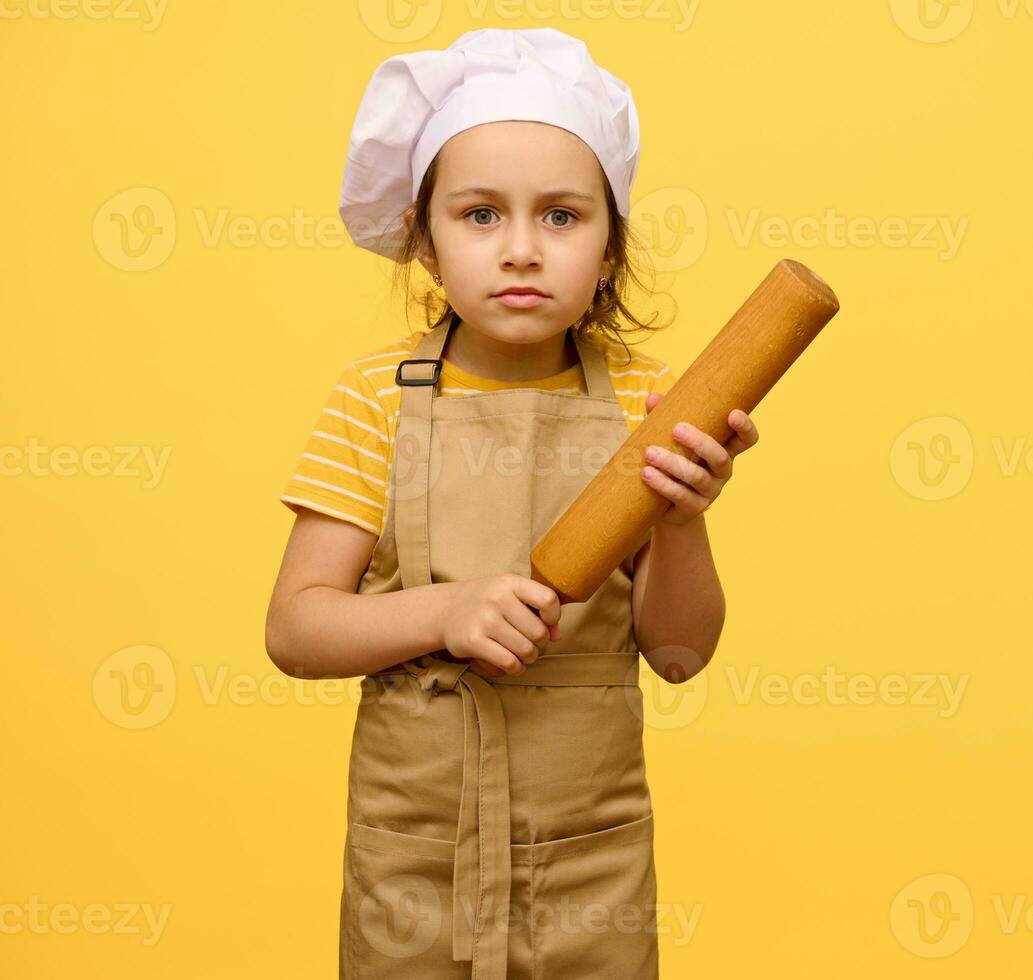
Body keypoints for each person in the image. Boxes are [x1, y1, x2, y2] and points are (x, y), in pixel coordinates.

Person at [263, 27, 758, 978]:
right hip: (414, 862)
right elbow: (295, 631)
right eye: (481, 215)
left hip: (590, 863)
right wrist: (445, 610)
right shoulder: (375, 400)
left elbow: (681, 654)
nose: (522, 250)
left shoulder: (651, 407)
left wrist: (683, 519)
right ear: (422, 237)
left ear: (611, 248)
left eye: (563, 217)